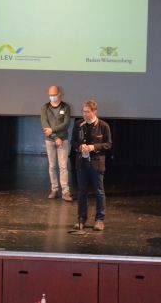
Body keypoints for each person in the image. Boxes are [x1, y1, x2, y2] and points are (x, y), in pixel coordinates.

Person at [71, 100, 112, 231]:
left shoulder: (103, 126)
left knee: (99, 192)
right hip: (81, 163)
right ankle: (81, 218)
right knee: (82, 191)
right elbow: (73, 142)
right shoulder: (78, 124)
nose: (85, 114)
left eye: (87, 112)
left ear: (94, 111)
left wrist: (93, 147)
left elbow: (108, 144)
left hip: (96, 163)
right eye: (83, 111)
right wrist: (79, 147)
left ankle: (99, 220)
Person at [40, 85, 72, 201]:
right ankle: (54, 189)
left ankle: (65, 191)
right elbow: (45, 125)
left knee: (63, 166)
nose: (52, 97)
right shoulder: (44, 107)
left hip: (63, 140)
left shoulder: (66, 107)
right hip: (50, 140)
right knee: (52, 166)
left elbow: (66, 124)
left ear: (59, 94)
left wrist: (54, 131)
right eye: (50, 95)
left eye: (54, 95)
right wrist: (55, 137)